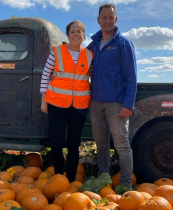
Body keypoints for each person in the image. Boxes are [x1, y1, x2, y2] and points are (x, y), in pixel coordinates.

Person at [87, 3, 137, 189]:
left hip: (117, 103)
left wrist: (128, 104)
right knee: (100, 143)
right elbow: (79, 63)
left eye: (111, 17)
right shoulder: (93, 44)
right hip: (96, 102)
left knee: (121, 144)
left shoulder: (123, 43)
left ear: (115, 20)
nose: (107, 21)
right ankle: (104, 178)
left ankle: (126, 184)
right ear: (98, 20)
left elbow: (131, 77)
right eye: (104, 17)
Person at [40, 20, 93, 183]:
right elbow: (45, 75)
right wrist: (44, 101)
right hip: (56, 104)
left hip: (79, 106)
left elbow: (91, 77)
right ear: (68, 35)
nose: (76, 34)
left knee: (73, 145)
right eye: (73, 32)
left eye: (79, 32)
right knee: (56, 143)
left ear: (84, 35)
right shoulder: (56, 52)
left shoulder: (90, 55)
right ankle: (58, 177)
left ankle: (70, 181)